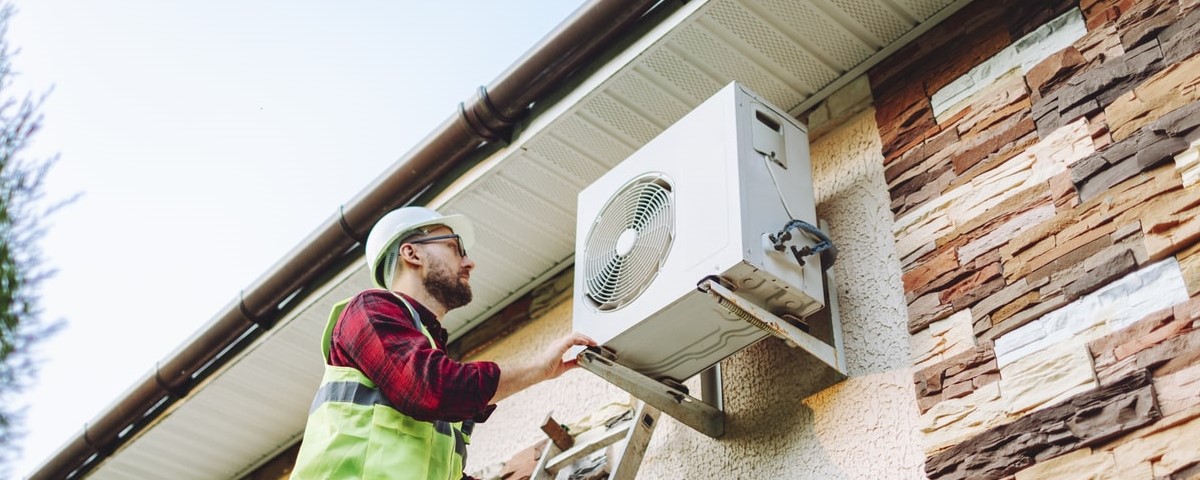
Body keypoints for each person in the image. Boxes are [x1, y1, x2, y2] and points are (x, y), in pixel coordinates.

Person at [291, 206, 594, 479]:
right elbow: (433, 388)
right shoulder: (369, 310)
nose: (469, 262)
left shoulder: (428, 358)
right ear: (412, 253)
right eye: (455, 247)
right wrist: (538, 367)